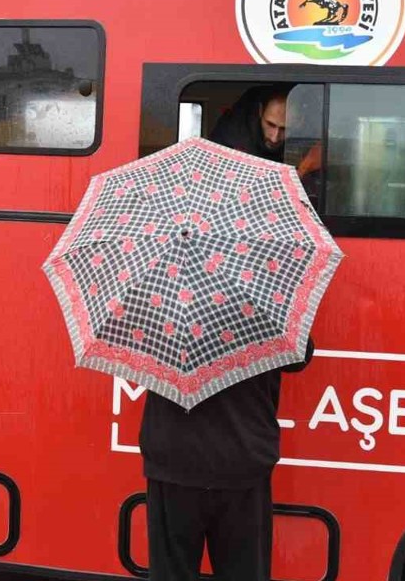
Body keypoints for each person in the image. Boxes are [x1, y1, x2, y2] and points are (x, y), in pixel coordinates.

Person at [139, 84, 313, 581]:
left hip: (172, 463)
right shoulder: (265, 288)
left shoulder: (156, 282)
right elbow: (302, 353)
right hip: (241, 464)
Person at [207, 85, 289, 162]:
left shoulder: (300, 145)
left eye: (284, 129)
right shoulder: (230, 132)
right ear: (260, 111)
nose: (274, 138)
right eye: (270, 124)